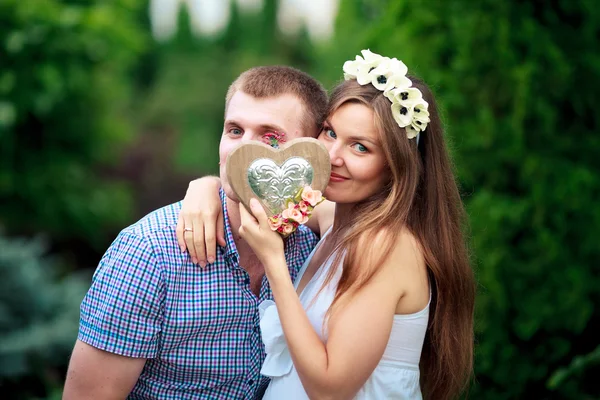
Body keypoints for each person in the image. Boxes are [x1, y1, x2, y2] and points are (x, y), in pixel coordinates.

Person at [178, 50, 476, 399]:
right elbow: (250, 187)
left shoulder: (386, 244)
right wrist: (204, 189)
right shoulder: (338, 218)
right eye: (330, 132)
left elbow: (330, 388)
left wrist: (274, 262)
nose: (334, 157)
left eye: (361, 148)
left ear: (397, 166)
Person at [62, 66, 328, 399]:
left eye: (270, 137)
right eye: (234, 130)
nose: (239, 151)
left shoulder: (313, 248)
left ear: (311, 153)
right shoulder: (149, 253)